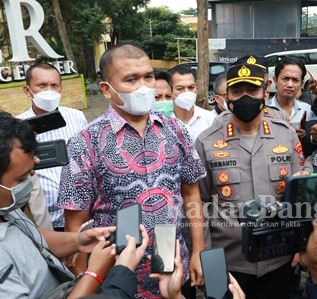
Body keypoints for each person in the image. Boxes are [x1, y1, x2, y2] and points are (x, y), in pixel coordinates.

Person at [57, 44, 207, 298]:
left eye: (148, 77)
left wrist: (198, 251)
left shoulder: (176, 129)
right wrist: (82, 277)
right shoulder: (85, 141)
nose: (143, 87)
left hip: (171, 265)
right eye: (131, 79)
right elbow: (75, 221)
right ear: (106, 89)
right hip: (116, 276)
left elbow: (192, 194)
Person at [195, 63, 312, 299]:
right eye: (238, 91)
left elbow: (300, 193)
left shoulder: (285, 134)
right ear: (227, 96)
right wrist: (203, 255)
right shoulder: (206, 142)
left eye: (252, 90)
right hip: (228, 262)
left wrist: (303, 245)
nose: (245, 97)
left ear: (265, 93)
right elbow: (199, 200)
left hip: (279, 258)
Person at [0, 111, 114, 298]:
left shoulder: (7, 207)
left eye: (31, 172)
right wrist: (95, 274)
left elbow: (32, 238)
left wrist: (78, 241)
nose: (30, 180)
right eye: (21, 178)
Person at [17, 62, 87, 231]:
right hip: (43, 222)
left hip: (80, 214)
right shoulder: (16, 126)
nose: (49, 91)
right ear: (27, 90)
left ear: (61, 88)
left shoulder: (76, 117)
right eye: (42, 85)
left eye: (54, 85)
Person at [170, 65, 216, 141]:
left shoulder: (211, 120)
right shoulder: (162, 122)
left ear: (196, 89)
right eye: (180, 88)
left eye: (191, 87)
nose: (186, 92)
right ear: (170, 91)